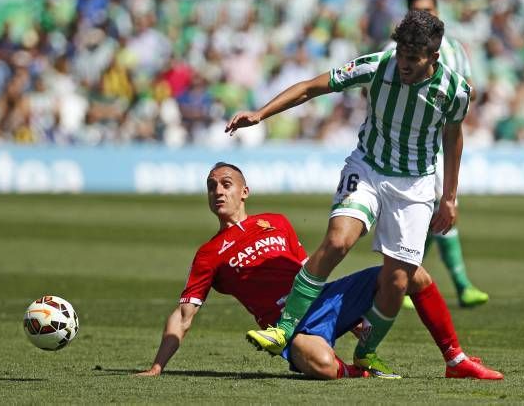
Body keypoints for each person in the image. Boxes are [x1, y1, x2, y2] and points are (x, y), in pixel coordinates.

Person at [227, 10, 473, 375]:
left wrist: (449, 197)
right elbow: (312, 86)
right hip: (368, 167)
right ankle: (283, 329)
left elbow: (453, 138)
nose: (403, 64)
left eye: (413, 58)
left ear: (433, 58)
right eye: (401, 54)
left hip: (415, 184)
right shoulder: (377, 66)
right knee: (339, 241)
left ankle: (367, 351)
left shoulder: (455, 91)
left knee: (398, 279)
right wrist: (262, 114)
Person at [136, 162, 503, 380]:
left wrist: (353, 313)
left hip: (325, 299)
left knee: (410, 271)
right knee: (323, 366)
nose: (218, 191)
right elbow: (184, 315)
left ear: (244, 191)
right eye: (211, 186)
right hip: (290, 326)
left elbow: (307, 268)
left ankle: (455, 359)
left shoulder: (275, 222)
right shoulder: (209, 254)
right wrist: (157, 367)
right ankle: (359, 370)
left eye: (226, 184)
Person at [395, 0, 489, 309]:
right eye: (421, 11)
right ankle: (412, 280)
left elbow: (470, 88)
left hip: (438, 142)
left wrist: (457, 91)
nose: (428, 16)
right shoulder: (393, 51)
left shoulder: (453, 48)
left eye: (431, 10)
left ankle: (413, 280)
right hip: (405, 145)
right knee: (427, 211)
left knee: (438, 211)